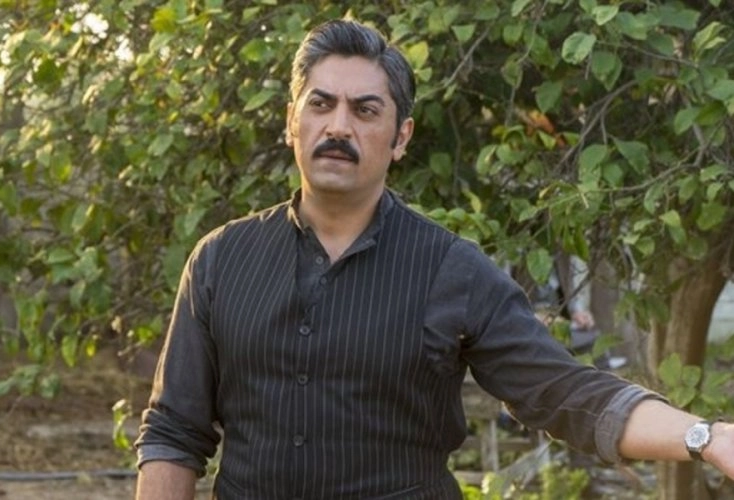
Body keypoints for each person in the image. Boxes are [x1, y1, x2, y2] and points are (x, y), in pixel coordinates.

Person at [134, 18, 734, 500]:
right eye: (320, 104)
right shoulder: (220, 260)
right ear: (292, 121)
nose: (338, 126)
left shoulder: (452, 269)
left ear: (401, 137)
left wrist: (704, 436)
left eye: (365, 110)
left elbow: (563, 391)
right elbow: (173, 432)